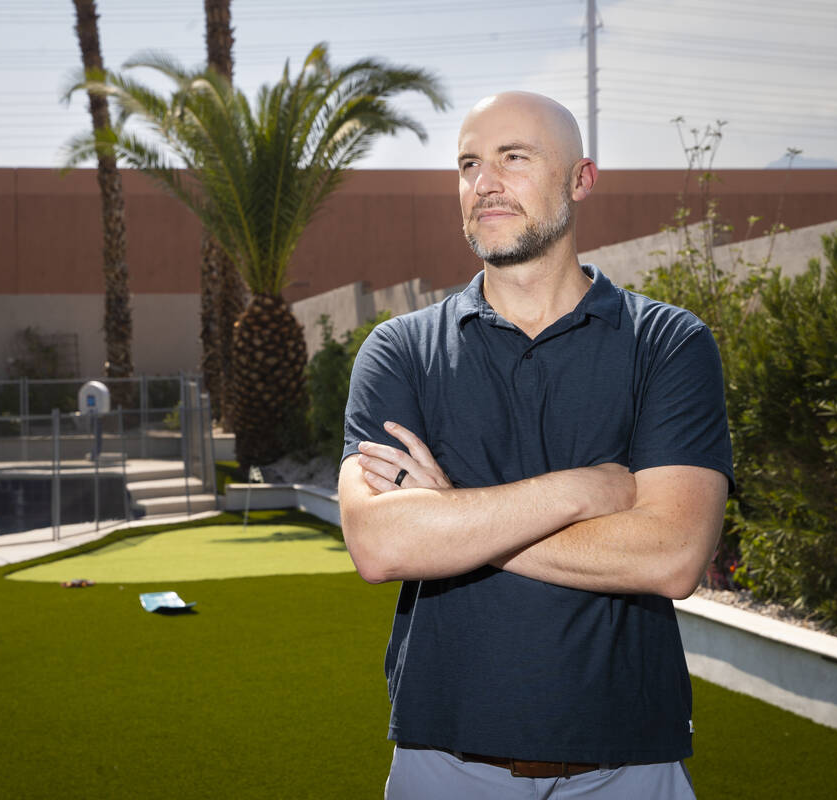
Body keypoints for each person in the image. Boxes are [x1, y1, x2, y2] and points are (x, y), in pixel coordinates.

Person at [337, 91, 734, 799]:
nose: (484, 182)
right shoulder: (399, 350)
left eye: (513, 158)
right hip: (443, 763)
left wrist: (450, 516)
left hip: (630, 768)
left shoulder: (669, 344)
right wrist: (584, 491)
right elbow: (382, 547)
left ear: (581, 178)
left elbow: (673, 556)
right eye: (468, 163)